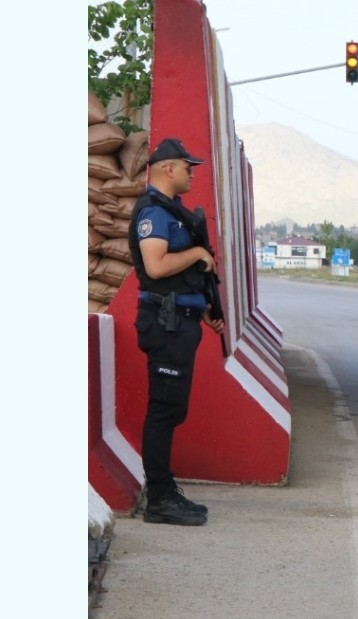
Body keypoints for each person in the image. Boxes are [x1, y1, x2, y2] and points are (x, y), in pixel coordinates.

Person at [128, 138, 225, 526]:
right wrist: (198, 254)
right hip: (164, 326)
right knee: (164, 410)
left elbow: (177, 277)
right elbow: (155, 266)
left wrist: (202, 308)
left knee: (172, 409)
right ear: (168, 168)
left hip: (179, 321)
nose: (192, 172)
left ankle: (165, 491)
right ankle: (160, 499)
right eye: (188, 166)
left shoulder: (173, 211)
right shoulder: (153, 212)